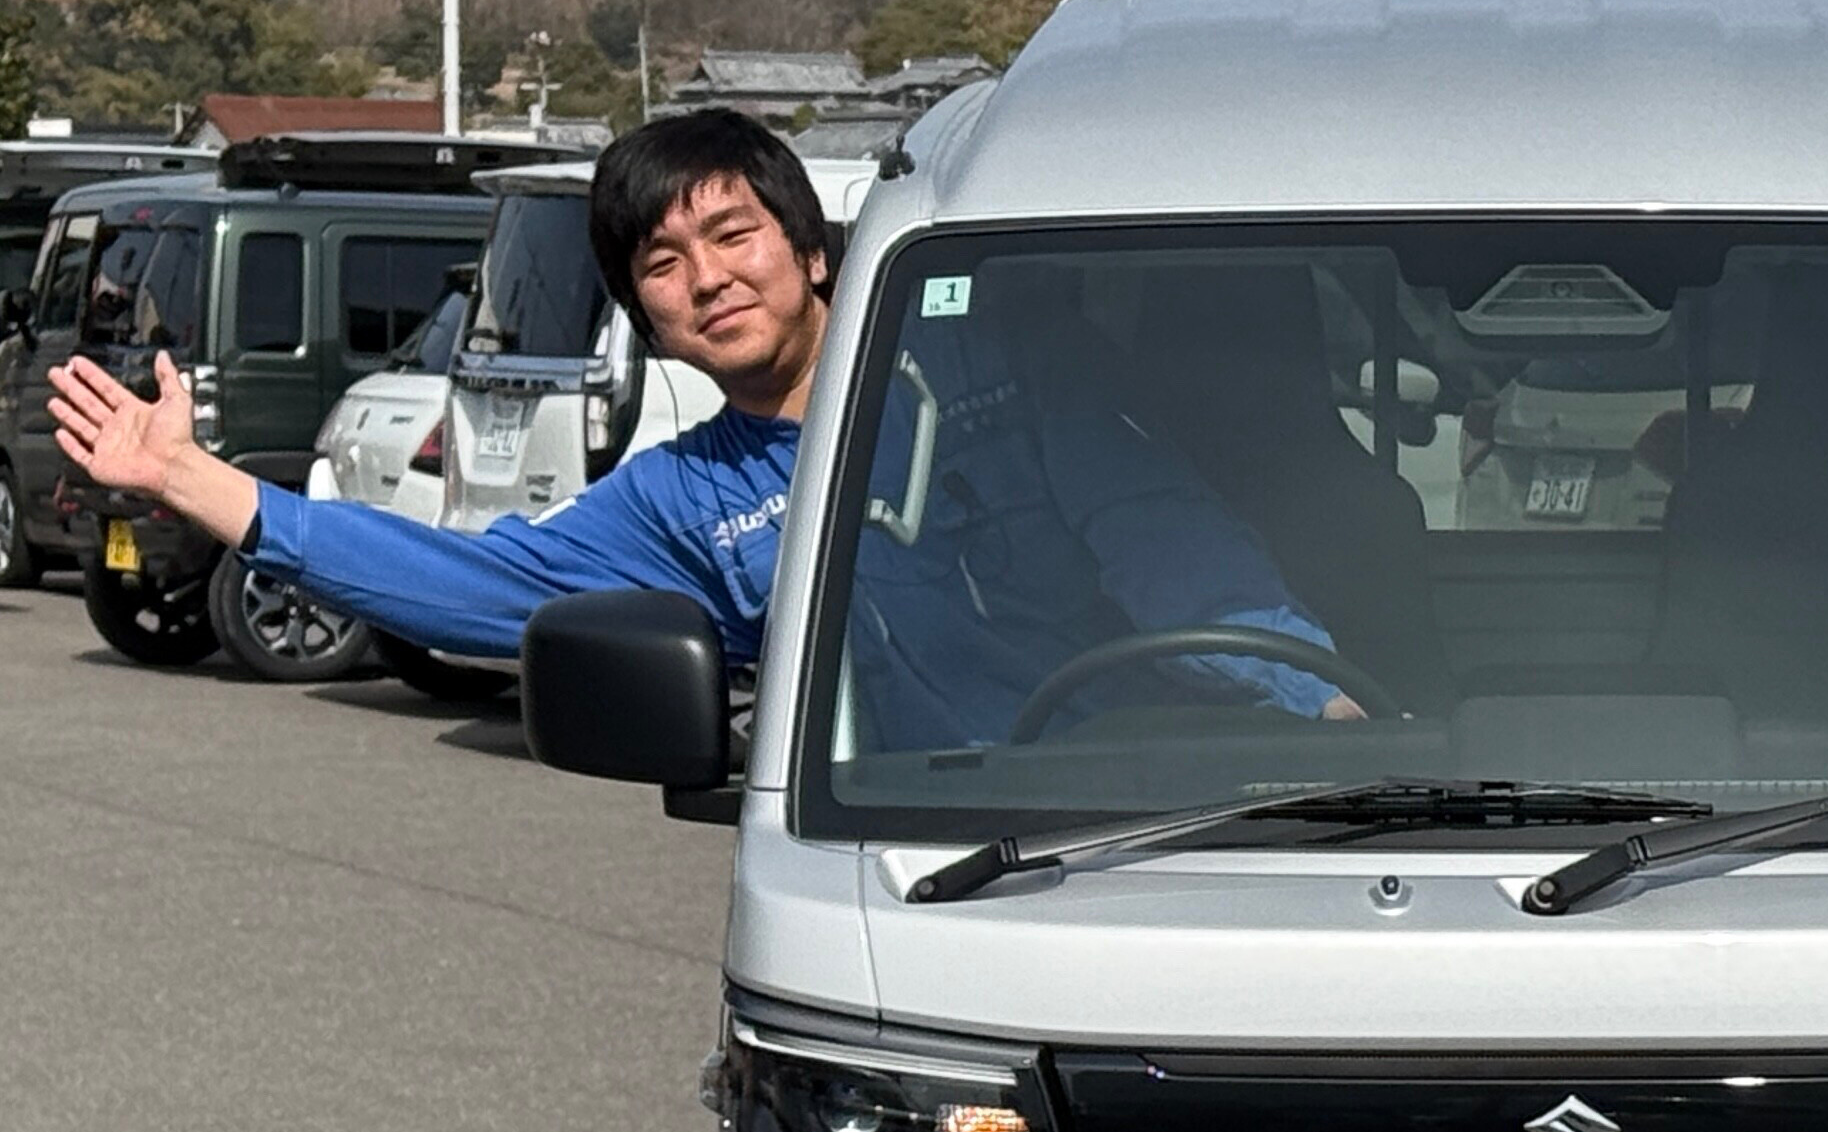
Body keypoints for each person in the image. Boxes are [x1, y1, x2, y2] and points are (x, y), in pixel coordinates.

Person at [45, 109, 1359, 731]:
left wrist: (1319, 704)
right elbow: (478, 590)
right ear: (645, 316)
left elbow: (1167, 545)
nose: (709, 278)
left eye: (735, 234)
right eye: (663, 264)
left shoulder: (994, 374)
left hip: (1150, 805)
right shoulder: (682, 500)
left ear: (815, 250)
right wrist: (207, 488)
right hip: (906, 866)